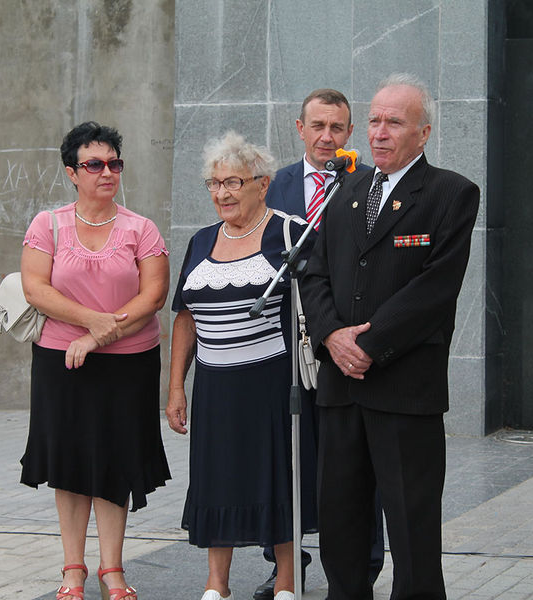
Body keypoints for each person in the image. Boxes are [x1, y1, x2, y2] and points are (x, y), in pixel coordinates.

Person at [302, 73, 480, 600]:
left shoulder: (451, 193)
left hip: (404, 389)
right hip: (341, 388)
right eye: (374, 120)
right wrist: (332, 335)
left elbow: (435, 288)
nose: (379, 133)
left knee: (411, 527)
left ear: (423, 133)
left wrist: (367, 345)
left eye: (394, 122)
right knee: (340, 523)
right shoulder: (346, 190)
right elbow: (314, 272)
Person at [20, 121, 171, 600]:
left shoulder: (140, 228)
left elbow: (154, 295)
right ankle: (72, 570)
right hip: (60, 361)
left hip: (129, 363)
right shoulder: (48, 224)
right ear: (71, 172)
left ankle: (113, 571)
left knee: (115, 461)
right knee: (68, 463)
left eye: (114, 163)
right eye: (95, 165)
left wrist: (99, 336)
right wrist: (92, 323)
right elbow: (35, 288)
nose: (107, 173)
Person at [166, 131, 318, 600]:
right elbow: (185, 317)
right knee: (217, 479)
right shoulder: (201, 241)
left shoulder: (290, 232)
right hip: (214, 387)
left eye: (233, 182)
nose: (222, 193)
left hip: (271, 384)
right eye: (214, 184)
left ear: (262, 184)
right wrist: (176, 387)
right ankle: (217, 584)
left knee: (278, 477)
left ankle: (287, 581)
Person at [256, 89, 384, 600]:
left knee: (354, 456)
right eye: (318, 126)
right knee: (285, 454)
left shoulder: (369, 182)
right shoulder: (274, 185)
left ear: (350, 132)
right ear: (300, 128)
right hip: (283, 339)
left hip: (343, 339)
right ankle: (286, 567)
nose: (327, 137)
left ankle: (362, 565)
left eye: (337, 127)